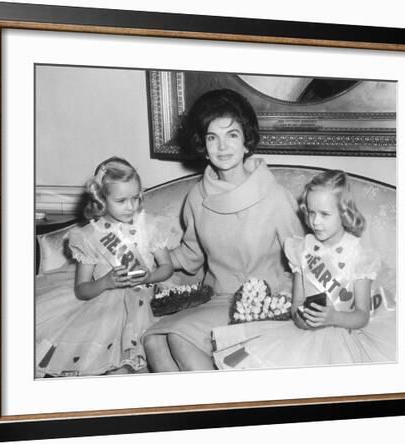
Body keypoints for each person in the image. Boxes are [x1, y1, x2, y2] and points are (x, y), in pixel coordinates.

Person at [143, 89, 304, 372]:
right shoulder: (196, 197)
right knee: (154, 340)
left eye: (232, 135)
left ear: (246, 142)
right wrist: (146, 255)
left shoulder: (276, 197)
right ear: (203, 146)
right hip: (217, 297)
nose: (222, 146)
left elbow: (303, 259)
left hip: (262, 303)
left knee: (179, 339)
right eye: (212, 137)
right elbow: (191, 255)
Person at [213, 170, 396, 369]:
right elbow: (297, 302)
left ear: (344, 213)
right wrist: (300, 318)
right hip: (302, 334)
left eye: (325, 214)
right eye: (311, 212)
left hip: (344, 335)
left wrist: (333, 317)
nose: (315, 222)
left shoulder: (360, 256)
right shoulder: (301, 249)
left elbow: (362, 315)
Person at [35, 157, 173, 377]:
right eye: (121, 200)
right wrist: (106, 282)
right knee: (109, 367)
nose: (131, 206)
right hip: (104, 306)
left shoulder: (149, 225)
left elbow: (167, 267)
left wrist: (150, 277)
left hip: (147, 300)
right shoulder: (89, 237)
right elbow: (82, 289)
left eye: (136, 198)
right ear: (102, 199)